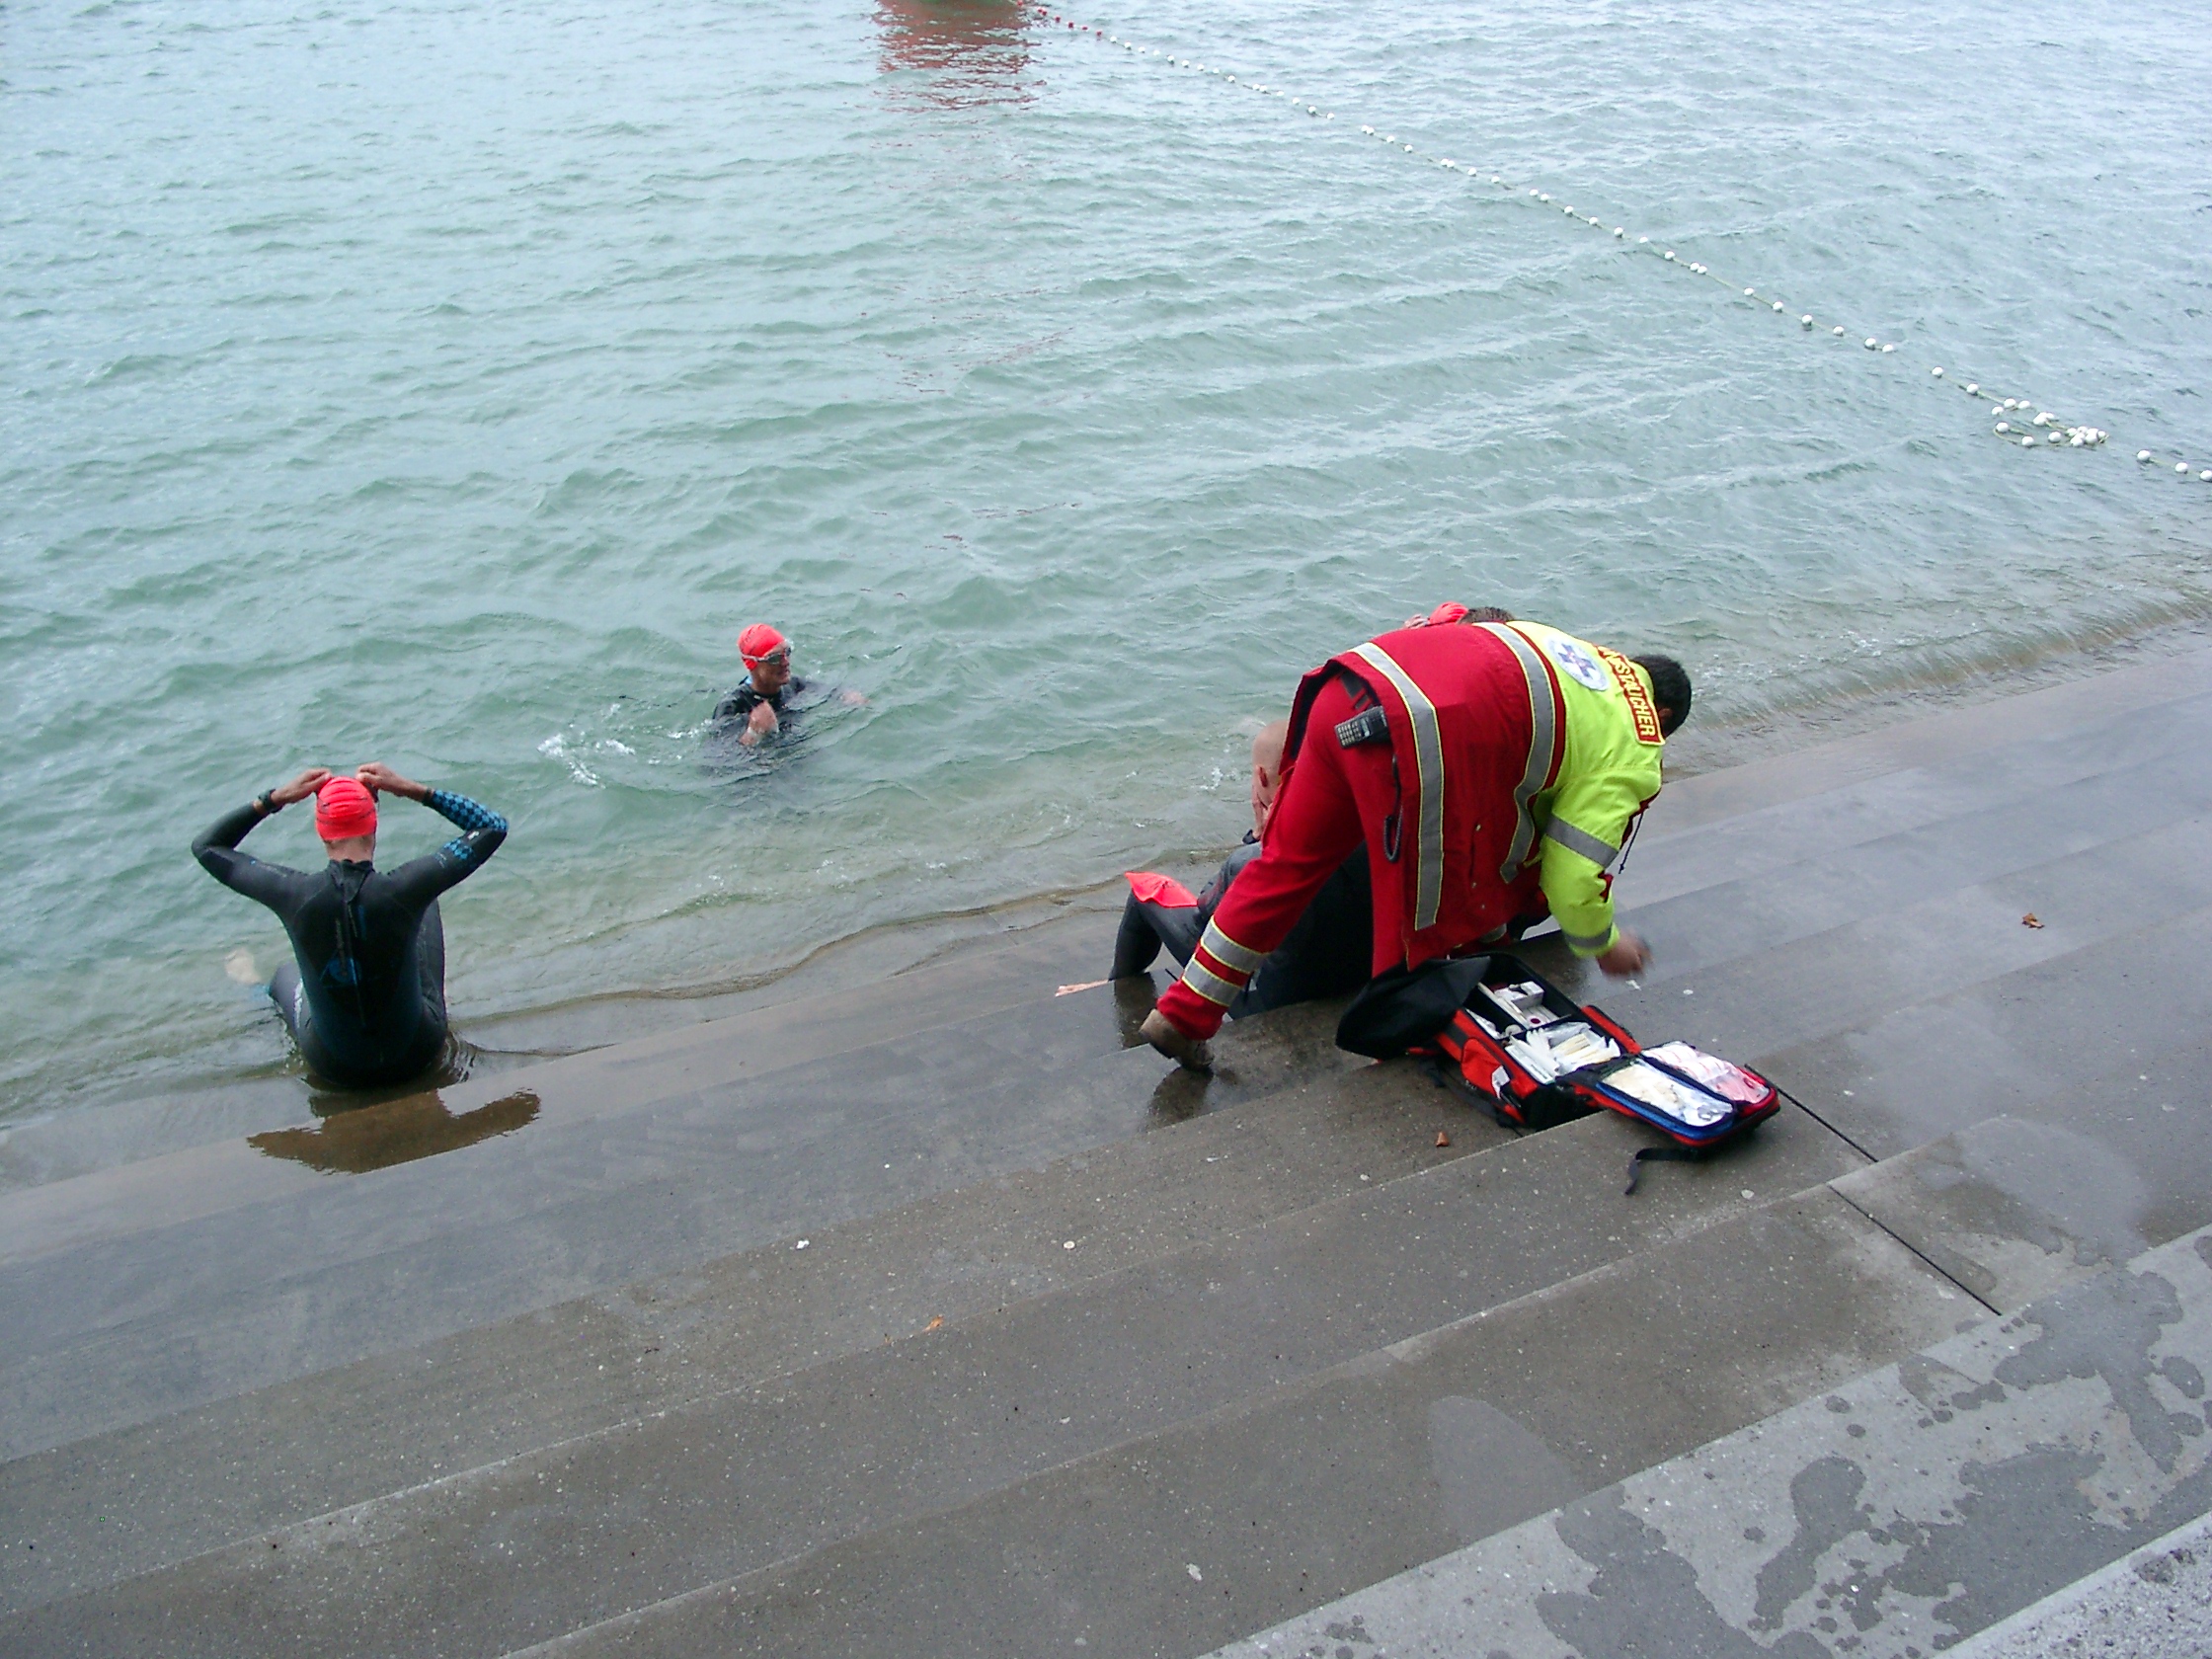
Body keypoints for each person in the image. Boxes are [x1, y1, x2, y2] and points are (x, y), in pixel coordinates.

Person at [1140, 613, 1692, 1069]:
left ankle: (1181, 1015)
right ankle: (1393, 1048)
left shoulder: (1569, 649)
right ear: (1662, 716)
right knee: (1415, 930)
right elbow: (1573, 874)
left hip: (1351, 684)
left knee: (1283, 867)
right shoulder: (1634, 743)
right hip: (1407, 737)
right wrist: (1604, 944)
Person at [193, 764, 508, 1087]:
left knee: (284, 977)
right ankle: (418, 1003)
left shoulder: (292, 893)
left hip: (334, 1066)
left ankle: (254, 990)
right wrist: (411, 789)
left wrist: (273, 800)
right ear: (374, 824)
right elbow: (491, 826)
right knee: (423, 903)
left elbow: (207, 847)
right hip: (418, 1053)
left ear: (321, 832)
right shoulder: (404, 889)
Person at [1110, 721, 1372, 1017]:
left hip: (1270, 1006)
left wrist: (1259, 836)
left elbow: (1207, 917)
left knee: (1145, 890)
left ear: (1261, 776)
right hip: (1359, 984)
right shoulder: (1375, 831)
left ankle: (1119, 987)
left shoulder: (1254, 860)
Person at [714, 624, 865, 748]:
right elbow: (718, 761)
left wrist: (847, 695)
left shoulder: (795, 685)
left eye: (787, 652)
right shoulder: (732, 706)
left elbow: (830, 691)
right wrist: (753, 734)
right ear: (752, 664)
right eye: (774, 658)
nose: (785, 662)